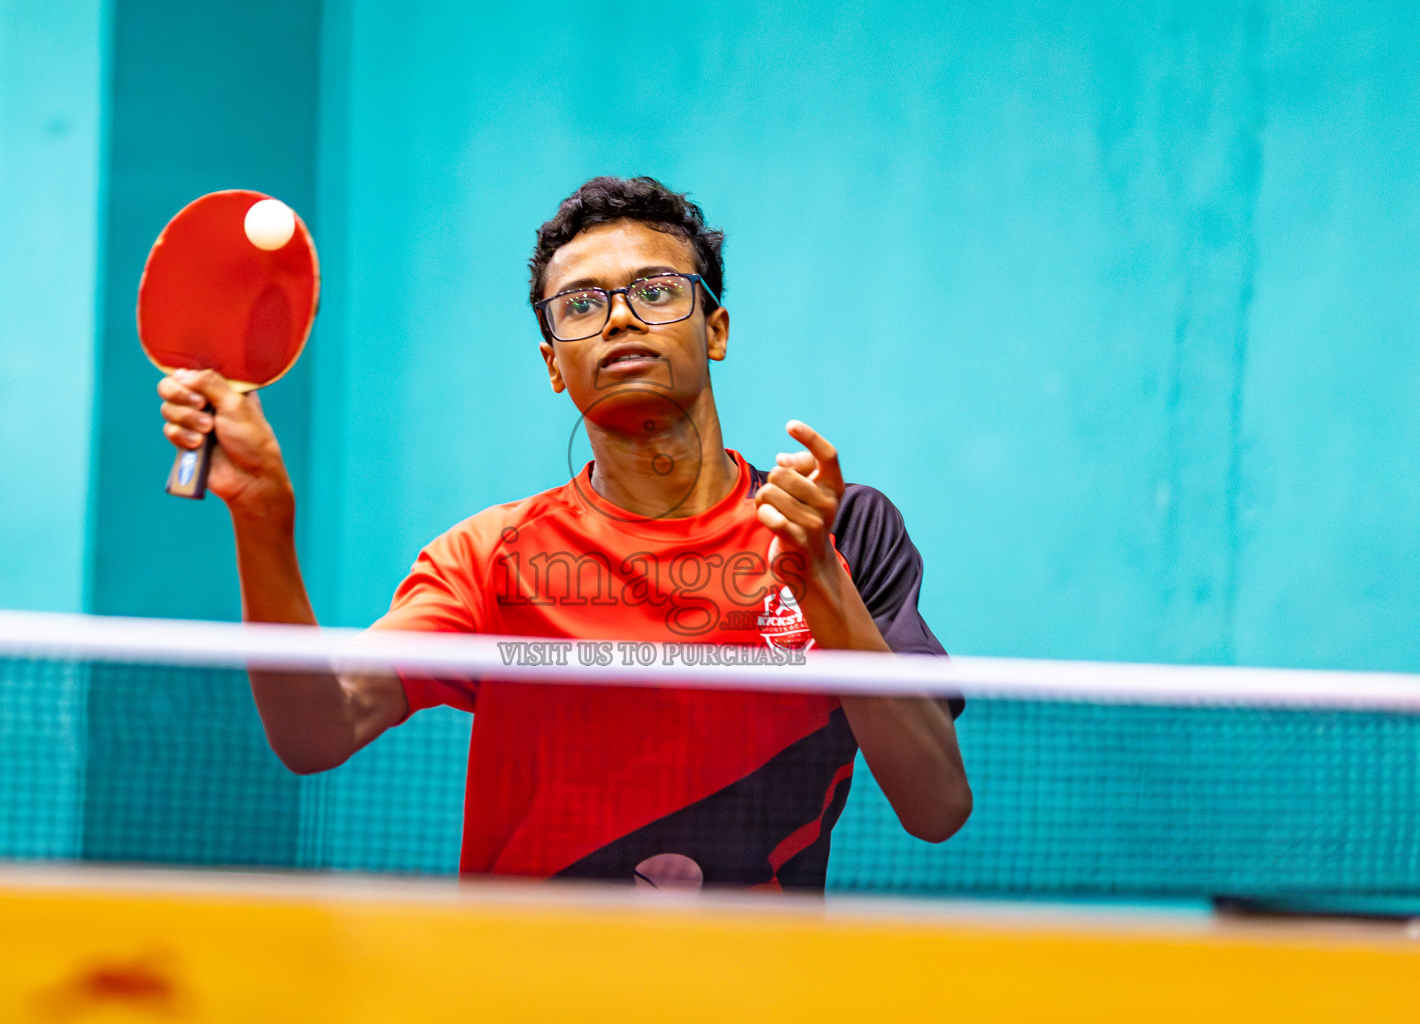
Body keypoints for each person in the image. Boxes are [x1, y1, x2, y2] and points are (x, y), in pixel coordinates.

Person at [157, 176, 971, 890]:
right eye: (581, 305)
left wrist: (821, 583)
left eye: (655, 291)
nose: (619, 318)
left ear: (715, 329)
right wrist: (264, 520)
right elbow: (315, 732)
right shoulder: (487, 559)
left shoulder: (840, 527)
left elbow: (936, 807)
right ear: (553, 363)